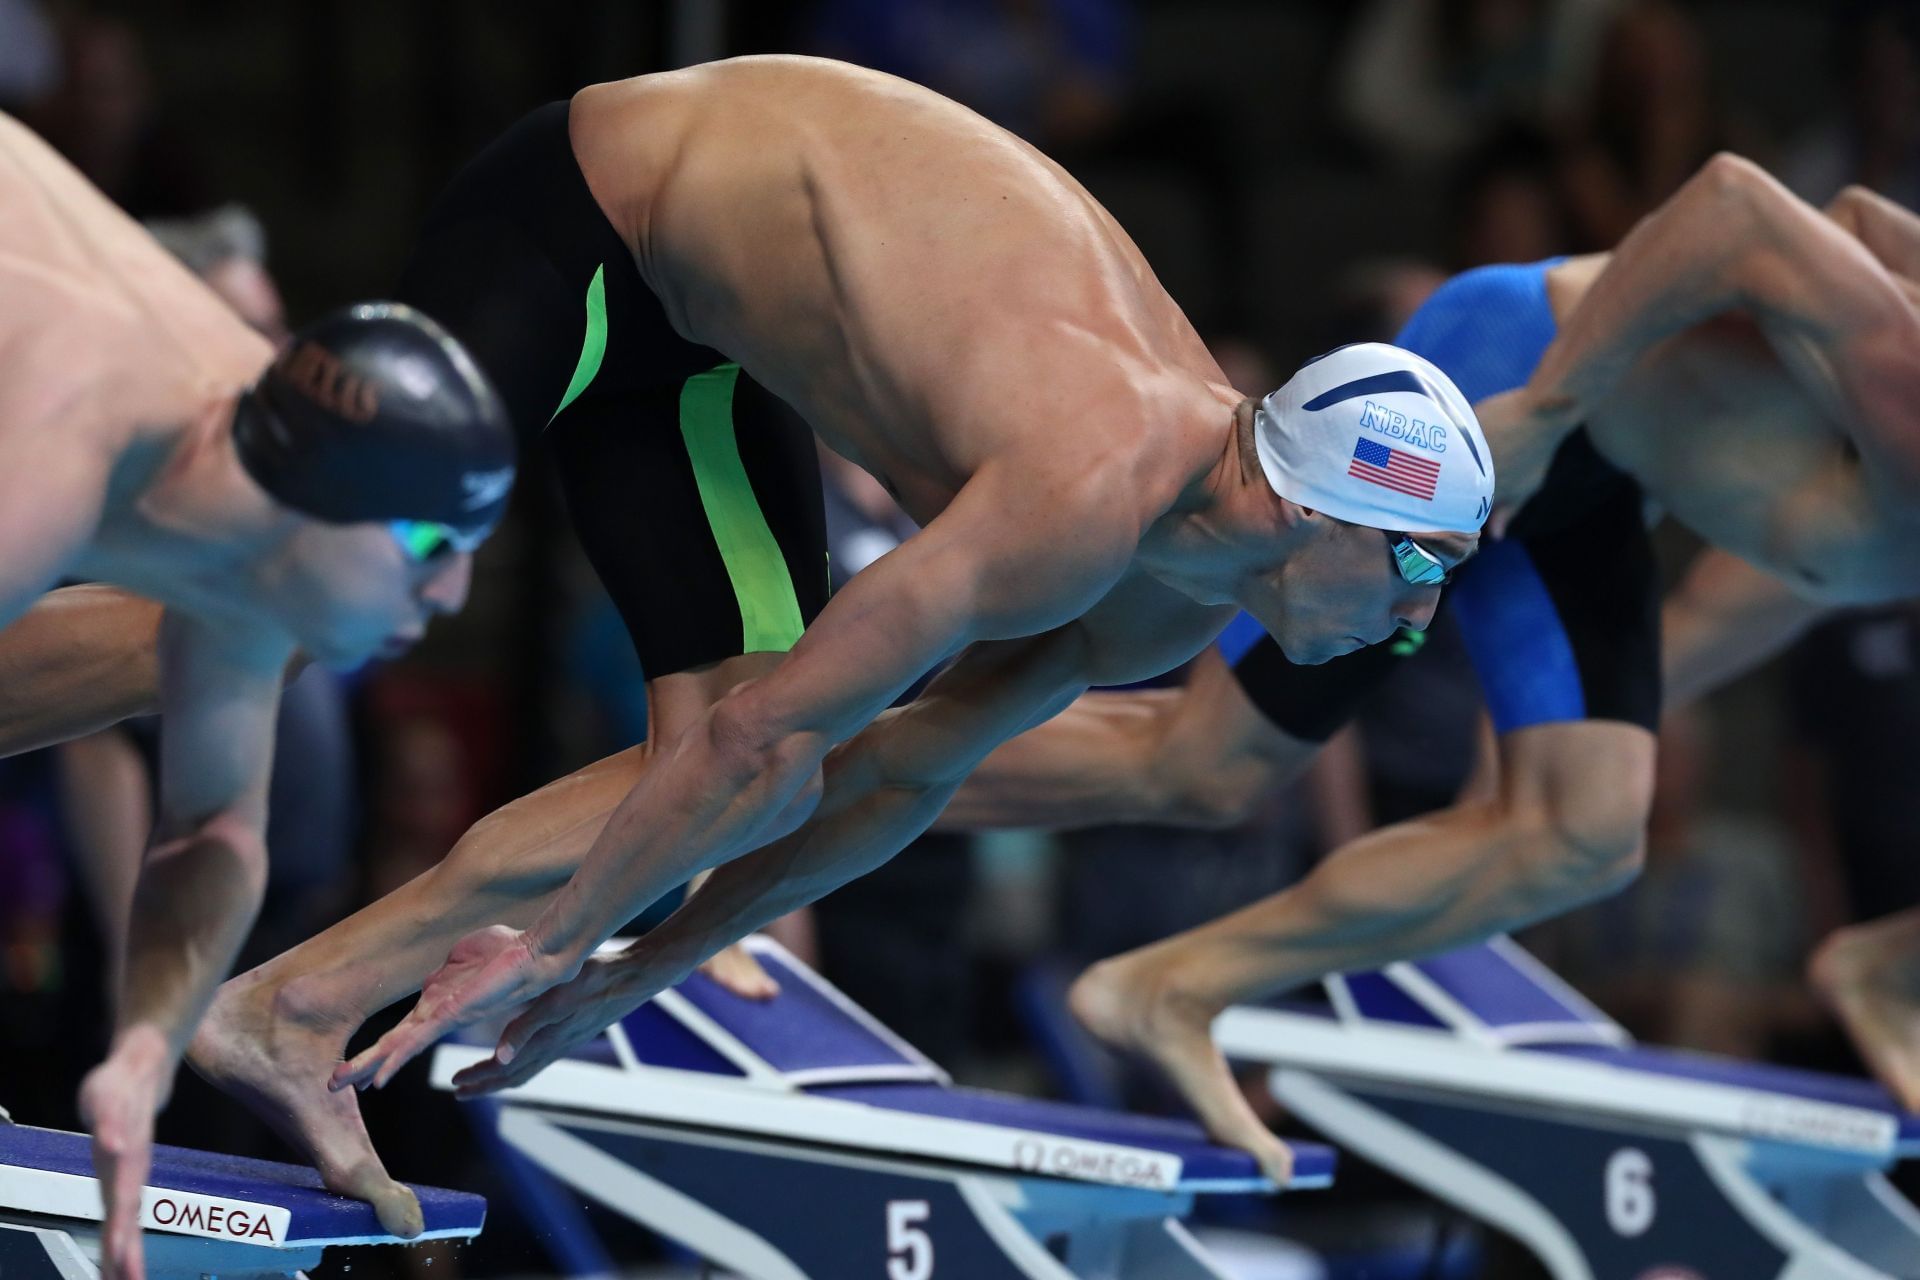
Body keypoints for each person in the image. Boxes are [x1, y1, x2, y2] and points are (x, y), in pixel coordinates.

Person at [186, 53, 1490, 1227]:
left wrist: (650, 959)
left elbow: (895, 777)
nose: (1421, 617)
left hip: (698, 339)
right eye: (1419, 562)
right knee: (296, 603)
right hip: (586, 212)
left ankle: (286, 1012)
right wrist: (564, 944)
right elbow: (778, 733)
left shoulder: (1175, 595)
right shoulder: (1095, 484)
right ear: (1305, 510)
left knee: (705, 781)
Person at [940, 155, 1920, 1165]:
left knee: (1583, 834)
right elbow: (1732, 203)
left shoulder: (1881, 520)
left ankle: (1169, 987)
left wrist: (1532, 733)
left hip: (1592, 486)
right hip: (1506, 379)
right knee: (1203, 761)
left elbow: (1715, 617)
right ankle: (820, 779)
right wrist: (1542, 409)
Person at [0, 108, 515, 1280]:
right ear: (321, 501)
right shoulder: (62, 441)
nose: (450, 594)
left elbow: (212, 827)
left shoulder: (252, 509)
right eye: (433, 539)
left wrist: (143, 1047)